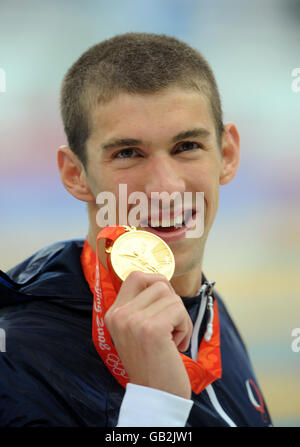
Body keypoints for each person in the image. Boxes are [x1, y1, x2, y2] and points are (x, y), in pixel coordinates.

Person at [0, 33, 272, 427]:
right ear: (76, 174)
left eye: (187, 146)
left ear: (226, 155)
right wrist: (156, 407)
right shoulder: (18, 360)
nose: (165, 187)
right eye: (128, 154)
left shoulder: (207, 310)